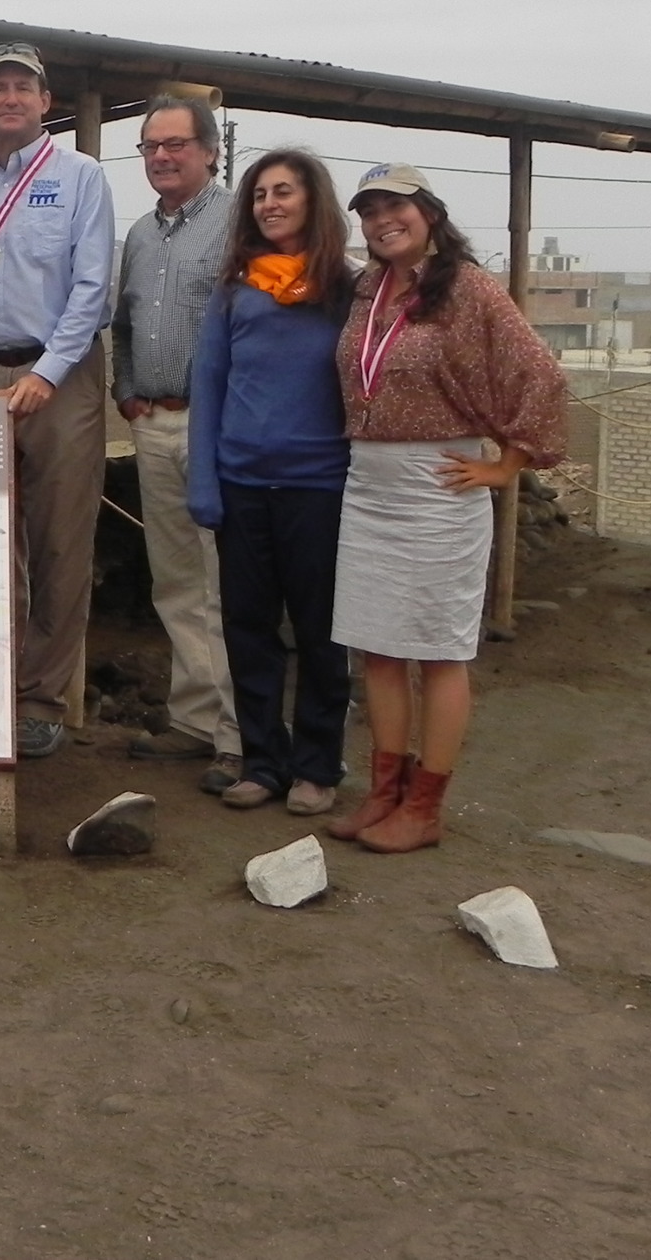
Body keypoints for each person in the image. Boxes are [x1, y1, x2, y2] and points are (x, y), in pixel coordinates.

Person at [326, 163, 567, 853]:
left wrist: (506, 464)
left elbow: (541, 372)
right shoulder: (370, 288)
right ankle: (384, 793)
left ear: (428, 211)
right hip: (369, 482)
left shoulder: (465, 287)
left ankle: (426, 805)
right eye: (369, 211)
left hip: (438, 484)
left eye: (394, 206)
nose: (381, 221)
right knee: (374, 646)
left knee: (435, 649)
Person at [0, 42, 114, 760]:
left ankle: (39, 698)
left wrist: (48, 368)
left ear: (46, 102)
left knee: (58, 539)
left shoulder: (81, 177)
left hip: (58, 376)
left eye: (24, 87)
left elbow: (92, 285)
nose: (11, 97)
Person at [187, 149, 357, 815]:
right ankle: (263, 760)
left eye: (283, 191)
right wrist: (206, 484)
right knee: (249, 630)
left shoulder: (347, 291)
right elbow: (209, 383)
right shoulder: (235, 290)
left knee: (321, 633)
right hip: (243, 486)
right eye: (259, 195)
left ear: (314, 200)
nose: (270, 204)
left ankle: (318, 764)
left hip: (319, 487)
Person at [110, 92, 242, 784]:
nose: (161, 156)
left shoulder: (236, 226)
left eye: (176, 145)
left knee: (227, 581)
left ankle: (237, 732)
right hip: (154, 423)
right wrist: (126, 392)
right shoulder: (138, 235)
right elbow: (125, 327)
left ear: (211, 151)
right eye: (151, 147)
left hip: (215, 426)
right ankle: (193, 717)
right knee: (176, 580)